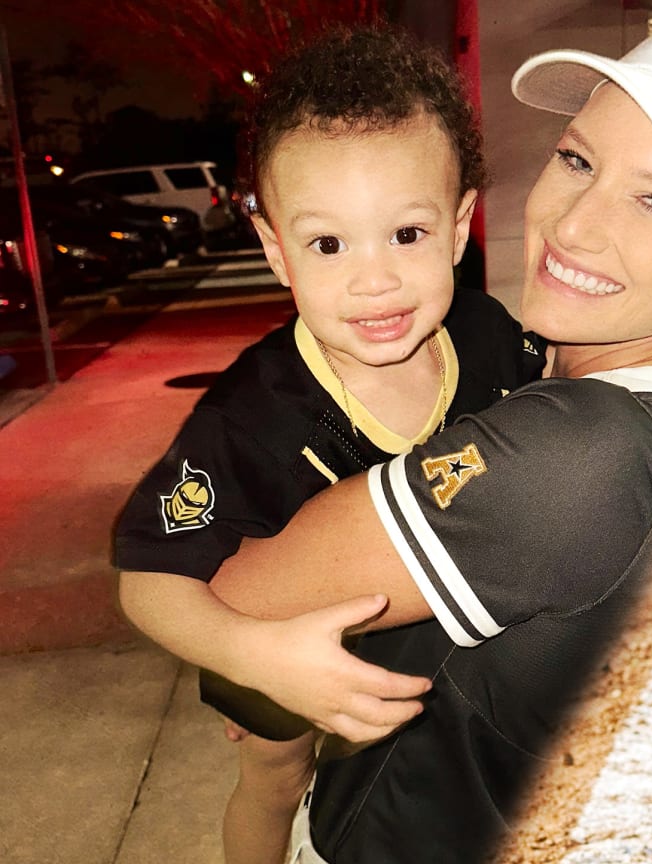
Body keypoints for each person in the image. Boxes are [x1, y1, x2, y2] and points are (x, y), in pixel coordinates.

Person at [139, 10, 652, 864]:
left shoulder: (581, 454)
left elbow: (236, 597)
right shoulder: (649, 404)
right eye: (577, 159)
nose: (574, 224)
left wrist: (263, 656)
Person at [112, 27, 545, 864]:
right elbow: (148, 578)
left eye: (407, 235)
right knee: (274, 783)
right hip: (279, 648)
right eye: (328, 243)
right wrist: (256, 657)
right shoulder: (251, 415)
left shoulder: (488, 335)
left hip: (425, 636)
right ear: (278, 251)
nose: (373, 279)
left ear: (458, 228)